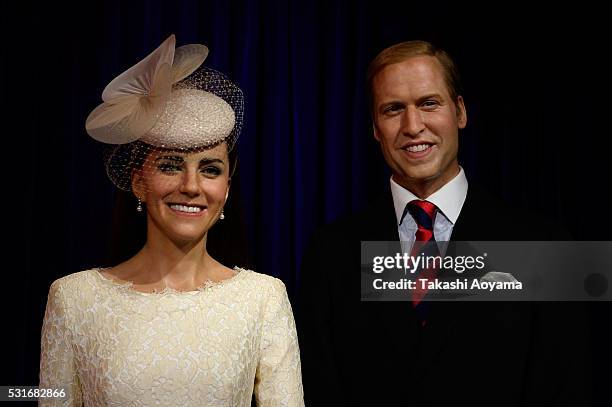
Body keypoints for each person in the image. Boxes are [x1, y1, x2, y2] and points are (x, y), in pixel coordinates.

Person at [298, 40, 590, 406]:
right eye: (392, 110)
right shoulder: (330, 253)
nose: (412, 125)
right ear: (375, 128)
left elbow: (568, 387)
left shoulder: (546, 246)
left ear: (460, 112)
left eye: (428, 103)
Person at [39, 35, 304, 406]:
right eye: (170, 166)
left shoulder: (263, 299)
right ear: (138, 182)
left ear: (227, 188)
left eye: (210, 170)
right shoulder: (74, 300)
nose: (191, 186)